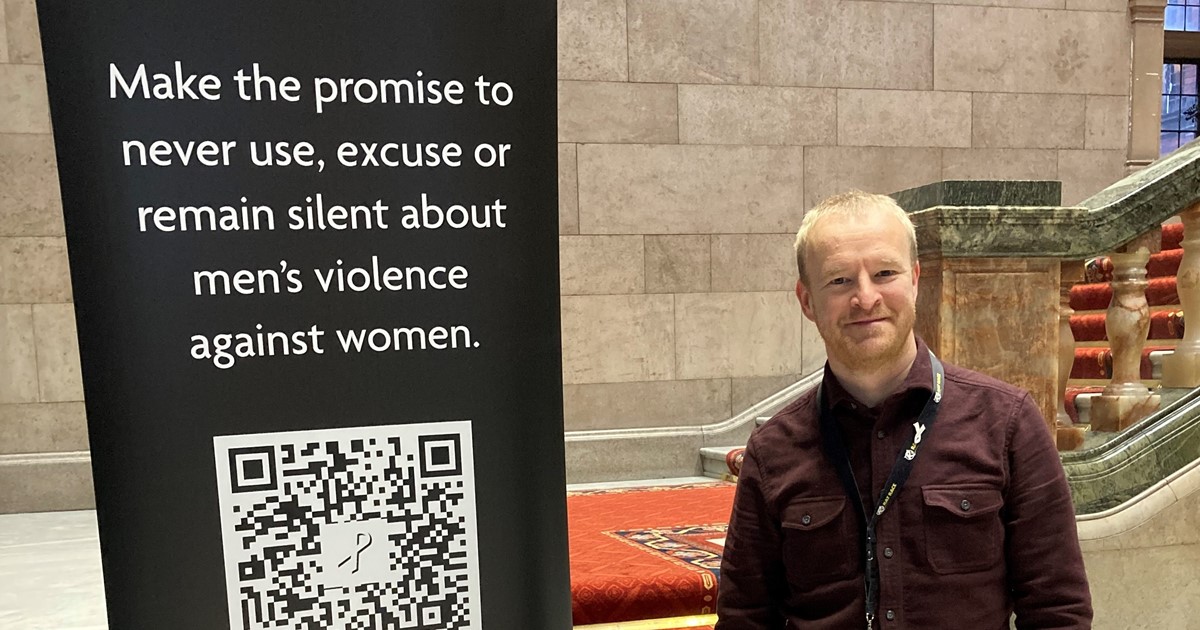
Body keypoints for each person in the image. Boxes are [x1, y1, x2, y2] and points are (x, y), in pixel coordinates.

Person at [715, 191, 1091, 629]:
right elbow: (745, 619)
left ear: (915, 279)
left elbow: (1057, 610)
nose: (865, 297)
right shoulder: (773, 449)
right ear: (807, 301)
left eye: (884, 273)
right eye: (839, 280)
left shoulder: (1007, 423)